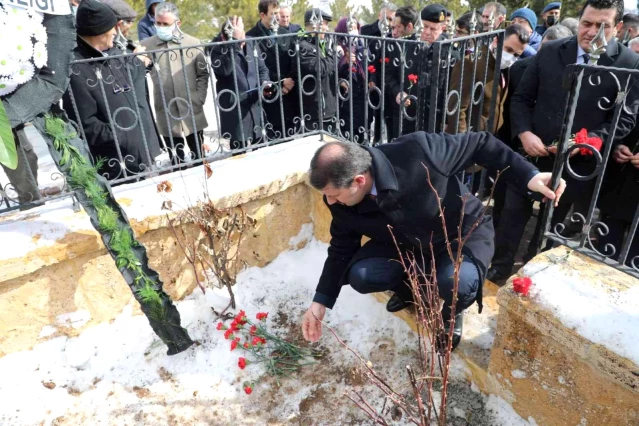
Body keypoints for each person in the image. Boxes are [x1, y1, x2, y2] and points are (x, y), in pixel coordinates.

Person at [301, 136, 566, 351]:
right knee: (362, 275)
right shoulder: (339, 198)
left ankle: (453, 311)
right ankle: (410, 291)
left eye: (333, 195)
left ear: (359, 181)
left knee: (455, 282)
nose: (331, 202)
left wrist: (529, 175)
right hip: (404, 243)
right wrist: (320, 301)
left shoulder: (418, 152)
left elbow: (481, 144)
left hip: (458, 234)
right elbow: (341, 248)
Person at [488, 0, 639, 282]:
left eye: (602, 26)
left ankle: (534, 274)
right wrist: (524, 133)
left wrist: (586, 142)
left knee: (552, 223)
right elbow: (521, 99)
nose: (592, 32)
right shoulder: (552, 51)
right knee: (512, 213)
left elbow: (624, 120)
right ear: (578, 20)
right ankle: (500, 265)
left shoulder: (628, 64)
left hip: (579, 163)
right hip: (533, 152)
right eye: (587, 23)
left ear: (618, 27)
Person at [63, 0, 162, 181]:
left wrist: (138, 62)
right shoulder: (76, 69)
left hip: (139, 154)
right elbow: (86, 124)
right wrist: (124, 136)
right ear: (98, 31)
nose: (116, 32)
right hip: (116, 163)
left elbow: (126, 83)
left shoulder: (113, 52)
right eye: (112, 28)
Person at [493, 24, 573, 228]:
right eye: (545, 49)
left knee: (549, 212)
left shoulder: (573, 74)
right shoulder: (519, 68)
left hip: (555, 152)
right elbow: (511, 105)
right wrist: (521, 133)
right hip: (517, 145)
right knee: (508, 207)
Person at [141, 2, 209, 162]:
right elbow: (139, 73)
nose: (161, 27)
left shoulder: (192, 43)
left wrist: (199, 98)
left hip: (191, 108)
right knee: (176, 161)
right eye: (158, 23)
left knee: (199, 157)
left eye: (166, 24)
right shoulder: (147, 46)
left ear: (177, 23)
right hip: (166, 110)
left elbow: (203, 74)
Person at [448, 24, 529, 135]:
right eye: (508, 50)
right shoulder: (472, 63)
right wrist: (463, 141)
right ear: (496, 41)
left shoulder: (505, 68)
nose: (511, 57)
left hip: (490, 136)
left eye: (516, 54)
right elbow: (456, 109)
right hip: (471, 137)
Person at [210, 16, 272, 149]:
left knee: (261, 149)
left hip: (255, 105)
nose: (243, 38)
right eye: (240, 35)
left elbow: (262, 69)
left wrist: (265, 83)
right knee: (240, 151)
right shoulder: (217, 49)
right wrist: (235, 43)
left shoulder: (251, 42)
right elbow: (224, 71)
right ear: (223, 37)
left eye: (243, 33)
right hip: (235, 107)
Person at [246, 0, 298, 140]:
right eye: (273, 13)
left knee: (289, 139)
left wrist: (289, 80)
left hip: (289, 93)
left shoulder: (284, 32)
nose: (277, 17)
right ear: (262, 15)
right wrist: (278, 83)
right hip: (267, 96)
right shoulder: (251, 37)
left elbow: (293, 59)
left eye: (278, 13)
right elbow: (255, 68)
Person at [360, 2, 397, 143]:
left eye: (391, 19)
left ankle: (386, 142)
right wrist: (370, 76)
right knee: (370, 114)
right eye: (386, 18)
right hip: (370, 79)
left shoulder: (393, 33)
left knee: (387, 114)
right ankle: (371, 141)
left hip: (388, 80)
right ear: (379, 15)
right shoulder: (366, 30)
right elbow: (362, 57)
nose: (388, 23)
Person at [298, 8, 337, 133]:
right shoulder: (303, 45)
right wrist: (333, 56)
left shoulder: (323, 43)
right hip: (315, 111)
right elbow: (319, 69)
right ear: (315, 24)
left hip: (329, 106)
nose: (326, 28)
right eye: (324, 24)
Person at [335, 17, 367, 143]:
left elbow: (368, 63)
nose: (352, 30)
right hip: (345, 97)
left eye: (354, 27)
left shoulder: (362, 44)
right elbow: (334, 70)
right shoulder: (337, 46)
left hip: (361, 94)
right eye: (350, 27)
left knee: (361, 129)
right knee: (346, 132)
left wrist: (358, 45)